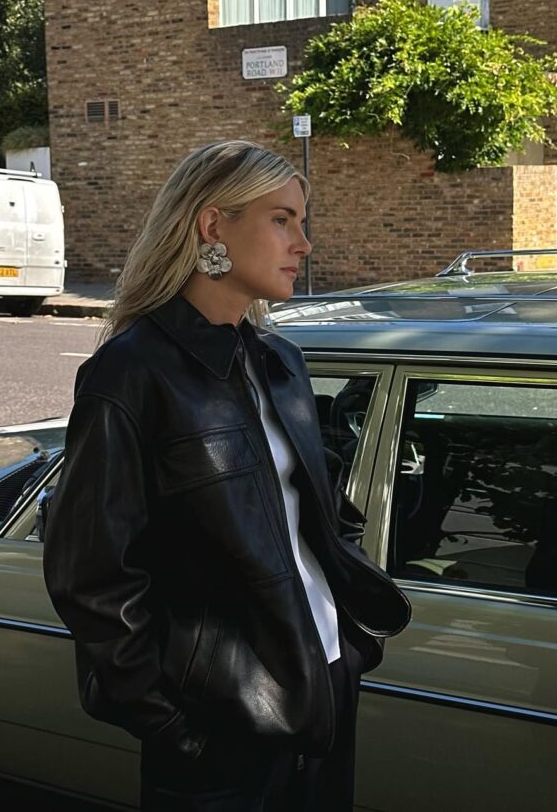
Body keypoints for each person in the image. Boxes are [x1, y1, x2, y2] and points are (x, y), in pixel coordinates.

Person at [42, 140, 411, 812]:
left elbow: (326, 515)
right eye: (282, 220)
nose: (303, 244)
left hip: (326, 683)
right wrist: (169, 724)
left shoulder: (280, 361)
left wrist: (350, 637)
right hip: (219, 723)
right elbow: (90, 575)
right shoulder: (131, 373)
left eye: (302, 221)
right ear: (214, 226)